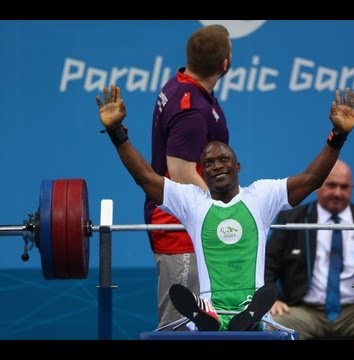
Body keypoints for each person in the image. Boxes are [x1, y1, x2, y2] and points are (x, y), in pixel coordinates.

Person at [96, 84, 354, 331]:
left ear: (237, 168)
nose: (217, 165)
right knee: (206, 316)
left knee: (252, 313)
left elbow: (312, 179)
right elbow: (145, 177)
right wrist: (117, 133)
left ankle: (248, 316)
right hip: (210, 309)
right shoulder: (192, 202)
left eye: (224, 159)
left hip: (253, 307)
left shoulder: (261, 196)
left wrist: (338, 136)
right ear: (203, 170)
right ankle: (209, 316)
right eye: (209, 162)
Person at [264, 160, 354, 340]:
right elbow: (267, 265)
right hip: (304, 311)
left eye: (344, 187)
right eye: (331, 185)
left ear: (352, 188)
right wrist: (272, 299)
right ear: (318, 186)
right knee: (272, 326)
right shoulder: (293, 218)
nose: (337, 193)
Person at [144, 24, 232, 328]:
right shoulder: (191, 110)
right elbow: (181, 173)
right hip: (179, 230)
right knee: (178, 327)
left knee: (203, 324)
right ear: (225, 64)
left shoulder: (180, 84)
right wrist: (224, 209)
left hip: (189, 226)